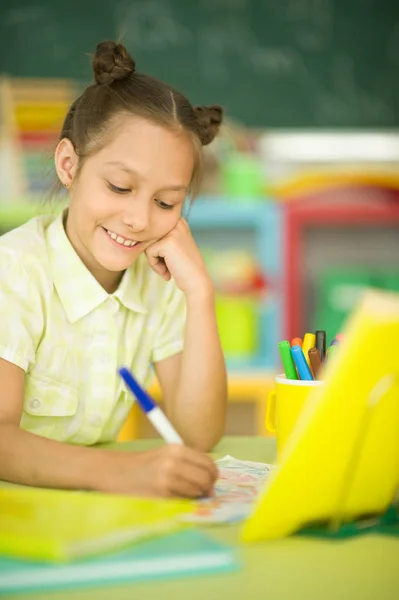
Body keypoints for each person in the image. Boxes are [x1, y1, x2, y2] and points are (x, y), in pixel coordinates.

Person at [0, 41, 227, 498]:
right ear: (69, 165)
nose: (140, 220)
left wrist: (200, 293)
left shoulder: (161, 282)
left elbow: (199, 435)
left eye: (166, 202)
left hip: (84, 511)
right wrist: (121, 473)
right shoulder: (15, 271)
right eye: (120, 186)